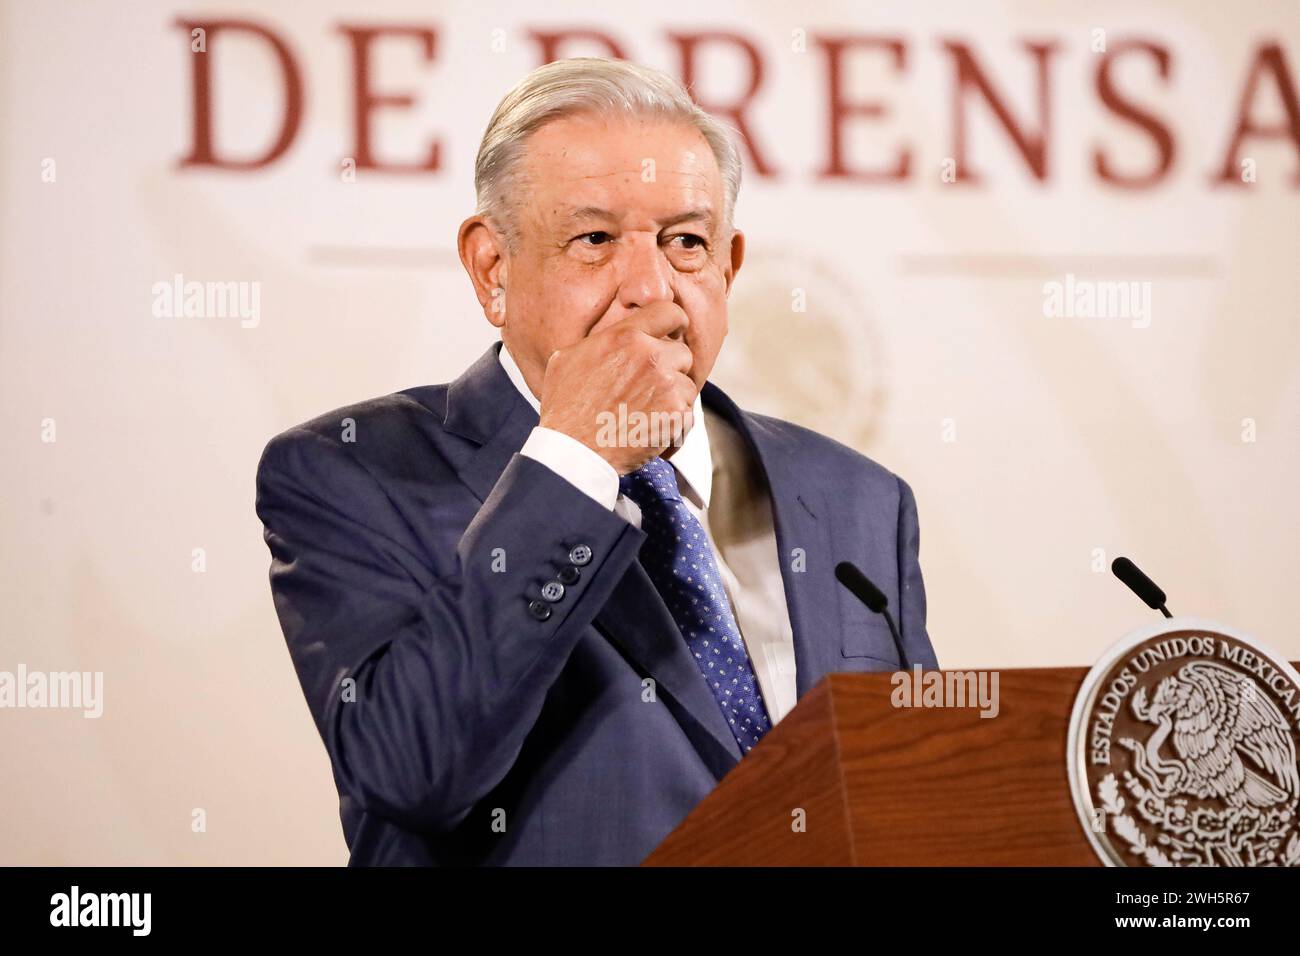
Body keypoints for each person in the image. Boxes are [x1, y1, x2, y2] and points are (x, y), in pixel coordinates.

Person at [255, 56, 939, 866]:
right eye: (595, 239)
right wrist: (577, 455)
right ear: (492, 268)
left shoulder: (857, 498)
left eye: (687, 241)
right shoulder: (354, 474)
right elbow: (414, 773)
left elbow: (913, 792)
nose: (650, 287)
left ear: (729, 264)